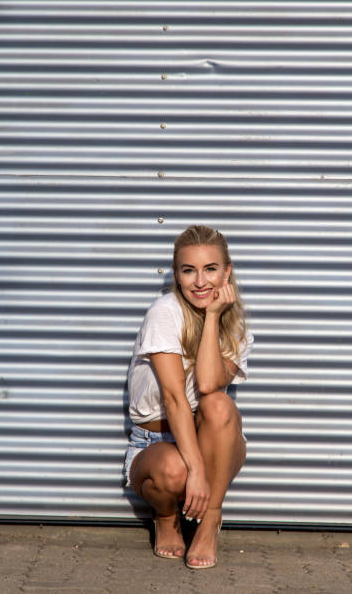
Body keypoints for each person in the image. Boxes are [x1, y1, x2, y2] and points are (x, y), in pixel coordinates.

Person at [125, 225, 254, 569]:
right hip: (156, 442)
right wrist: (195, 469)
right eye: (188, 270)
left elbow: (209, 384)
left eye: (210, 269)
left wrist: (212, 317)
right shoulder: (164, 313)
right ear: (177, 274)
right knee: (175, 469)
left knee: (219, 404)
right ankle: (165, 518)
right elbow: (174, 398)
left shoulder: (236, 326)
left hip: (212, 444)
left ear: (227, 272)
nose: (200, 282)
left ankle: (210, 521)